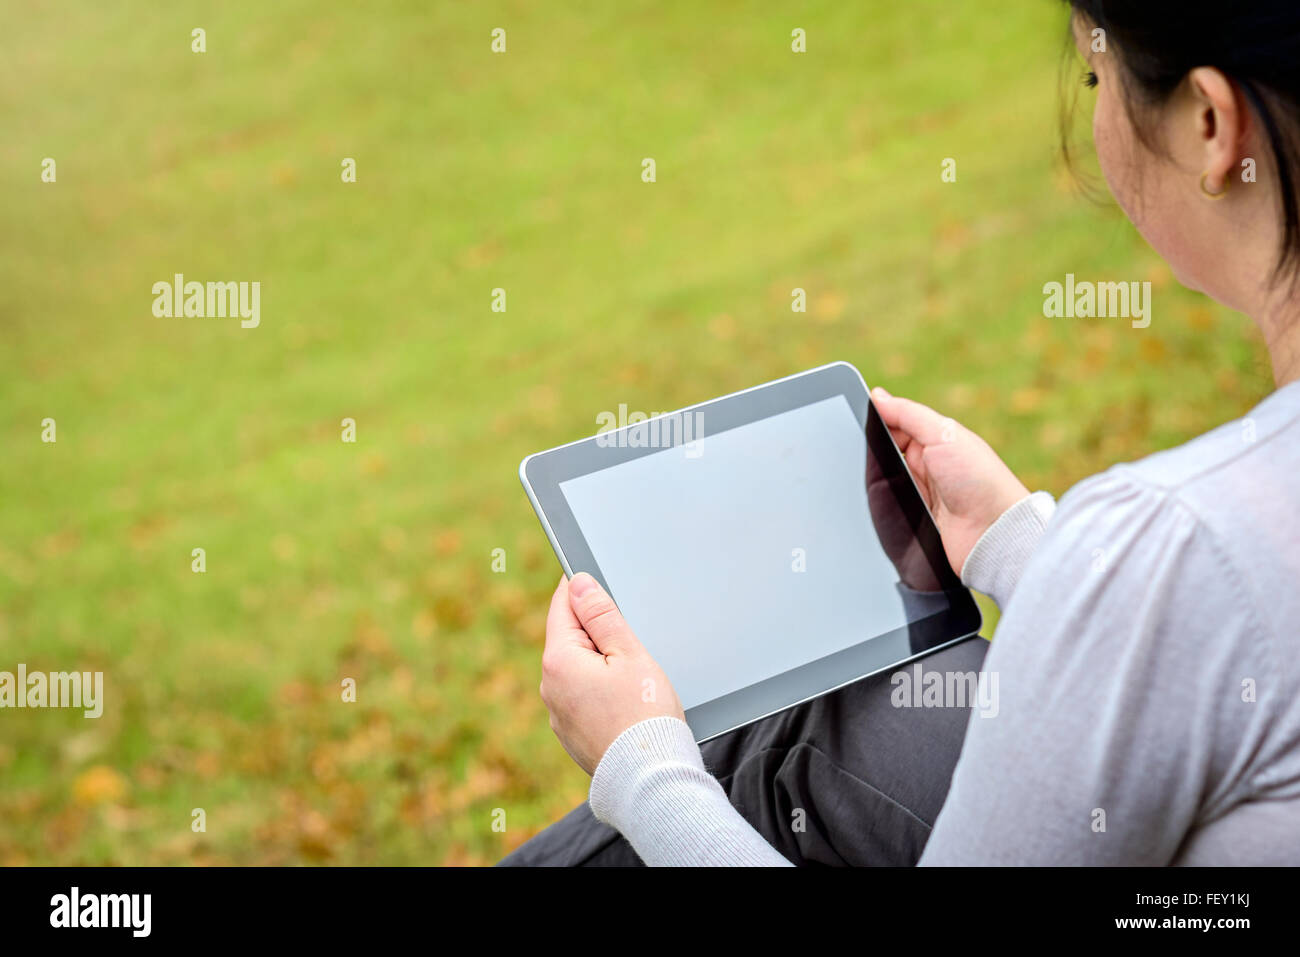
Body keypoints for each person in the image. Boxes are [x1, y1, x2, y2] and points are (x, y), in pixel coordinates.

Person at [499, 2, 1300, 865]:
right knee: (847, 716)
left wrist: (643, 771)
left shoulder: (1178, 539)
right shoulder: (1200, 545)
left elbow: (1206, 608)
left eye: (1097, 79)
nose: (1095, 115)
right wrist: (1020, 550)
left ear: (1212, 124)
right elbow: (1219, 669)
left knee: (756, 757)